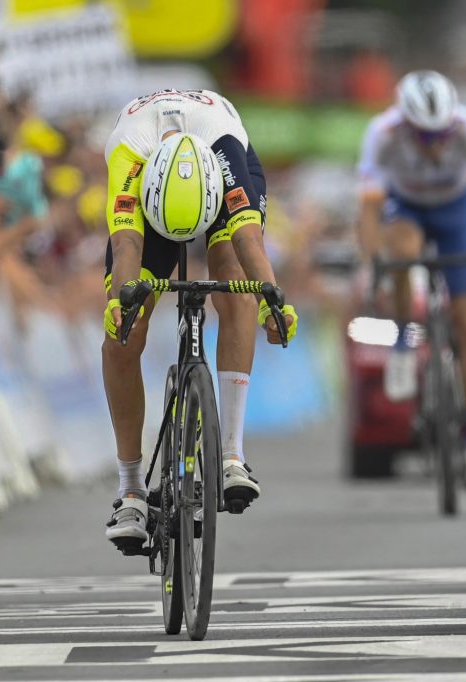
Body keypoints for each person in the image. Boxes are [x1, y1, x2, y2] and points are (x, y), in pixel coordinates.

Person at [101, 89, 298, 552]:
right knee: (124, 332)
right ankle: (130, 488)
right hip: (154, 194)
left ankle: (232, 454)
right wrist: (120, 304)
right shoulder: (128, 151)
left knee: (236, 282)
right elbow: (128, 247)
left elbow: (250, 239)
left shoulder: (224, 144)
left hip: (219, 171)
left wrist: (275, 300)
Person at [356, 70, 466, 487]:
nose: (434, 143)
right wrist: (373, 265)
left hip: (456, 209)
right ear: (404, 124)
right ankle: (406, 338)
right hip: (405, 207)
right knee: (402, 252)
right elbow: (369, 209)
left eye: (440, 134)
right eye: (423, 136)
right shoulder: (382, 133)